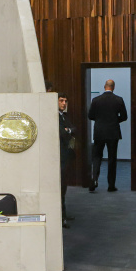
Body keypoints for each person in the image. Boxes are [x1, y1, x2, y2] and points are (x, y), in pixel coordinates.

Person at [87, 79, 128, 192]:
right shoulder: (118, 100)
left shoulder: (96, 100)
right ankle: (111, 185)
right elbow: (124, 116)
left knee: (97, 157)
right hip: (113, 132)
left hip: (99, 132)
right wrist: (114, 120)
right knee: (112, 158)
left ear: (104, 86)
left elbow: (90, 116)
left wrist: (100, 120)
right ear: (113, 87)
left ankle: (94, 180)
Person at [58, 93, 76, 229]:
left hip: (65, 155)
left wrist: (68, 130)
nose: (64, 103)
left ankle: (63, 214)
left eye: (66, 101)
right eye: (61, 101)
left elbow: (73, 129)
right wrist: (68, 131)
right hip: (59, 156)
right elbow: (62, 133)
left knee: (64, 186)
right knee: (60, 186)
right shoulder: (55, 116)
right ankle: (61, 216)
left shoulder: (64, 116)